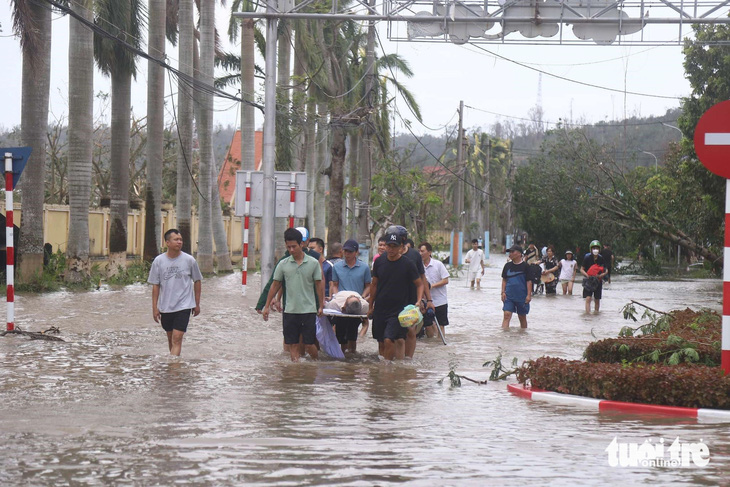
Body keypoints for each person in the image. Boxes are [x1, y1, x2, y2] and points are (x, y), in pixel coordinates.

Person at [263, 228, 324, 361]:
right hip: (290, 310)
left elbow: (319, 285)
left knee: (309, 344)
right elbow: (275, 285)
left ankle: (315, 365)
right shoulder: (283, 264)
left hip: (308, 310)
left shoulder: (313, 263)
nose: (291, 250)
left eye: (294, 246)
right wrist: (266, 306)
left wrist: (321, 305)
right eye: (288, 247)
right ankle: (295, 372)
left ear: (301, 244)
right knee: (293, 344)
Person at [368, 230, 423, 360]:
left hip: (398, 310)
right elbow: (374, 284)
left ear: (401, 248)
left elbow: (419, 284)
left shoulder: (407, 264)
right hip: (381, 308)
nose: (391, 249)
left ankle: (388, 370)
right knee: (381, 342)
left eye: (394, 246)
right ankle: (386, 372)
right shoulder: (379, 262)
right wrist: (371, 306)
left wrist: (419, 301)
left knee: (389, 339)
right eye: (389, 246)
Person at [148, 229, 202, 356]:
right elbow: (156, 285)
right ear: (167, 242)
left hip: (184, 305)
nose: (179, 242)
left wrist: (197, 303)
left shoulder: (189, 260)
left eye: (181, 240)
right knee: (171, 338)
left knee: (177, 338)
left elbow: (197, 281)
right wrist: (154, 308)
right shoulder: (159, 261)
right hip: (166, 306)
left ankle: (173, 369)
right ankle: (174, 366)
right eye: (176, 240)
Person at [390, 225, 435, 359]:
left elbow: (422, 278)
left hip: (411, 299)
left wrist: (428, 300)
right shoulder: (387, 254)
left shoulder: (414, 255)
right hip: (391, 298)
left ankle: (407, 360)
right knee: (392, 333)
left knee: (410, 330)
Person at [330, 239, 372, 352]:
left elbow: (369, 285)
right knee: (341, 336)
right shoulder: (337, 267)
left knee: (352, 334)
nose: (347, 254)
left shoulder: (364, 268)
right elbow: (334, 284)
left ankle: (352, 356)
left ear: (356, 252)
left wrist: (362, 297)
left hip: (356, 305)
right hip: (341, 306)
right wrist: (336, 295)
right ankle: (343, 359)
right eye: (345, 251)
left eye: (350, 251)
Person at [419, 242, 449, 338]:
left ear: (429, 252)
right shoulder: (419, 266)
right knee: (428, 326)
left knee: (441, 325)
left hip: (440, 301)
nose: (420, 253)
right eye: (419, 251)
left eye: (423, 251)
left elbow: (445, 280)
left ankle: (439, 344)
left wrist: (431, 286)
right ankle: (431, 345)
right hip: (425, 302)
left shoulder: (438, 264)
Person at [501, 245, 531, 329]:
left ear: (519, 254)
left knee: (522, 317)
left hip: (522, 296)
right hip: (509, 296)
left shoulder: (526, 266)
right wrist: (503, 292)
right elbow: (504, 280)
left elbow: (529, 281)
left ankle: (523, 334)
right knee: (506, 315)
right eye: (509, 252)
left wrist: (529, 295)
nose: (510, 254)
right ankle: (504, 336)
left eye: (512, 252)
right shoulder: (507, 266)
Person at [580, 240, 609, 313]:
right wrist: (587, 275)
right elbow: (582, 269)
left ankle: (596, 313)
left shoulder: (601, 258)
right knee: (588, 298)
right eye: (594, 248)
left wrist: (601, 275)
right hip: (589, 280)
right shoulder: (587, 258)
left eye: (597, 248)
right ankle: (587, 313)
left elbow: (606, 270)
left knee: (597, 299)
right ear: (591, 249)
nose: (595, 250)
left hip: (598, 281)